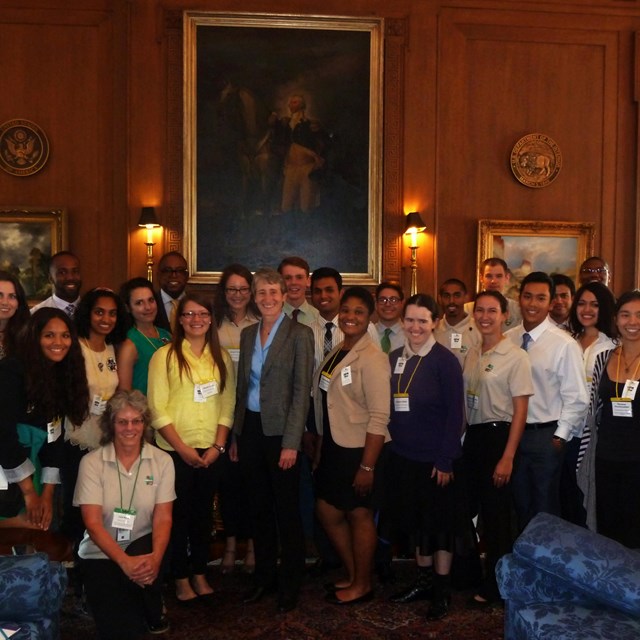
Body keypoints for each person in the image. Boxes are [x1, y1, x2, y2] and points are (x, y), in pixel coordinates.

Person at [233, 267, 314, 613]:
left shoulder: (300, 333)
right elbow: (241, 389)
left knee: (286, 512)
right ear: (254, 296)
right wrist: (236, 435)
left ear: (284, 295)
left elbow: (301, 392)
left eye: (273, 292)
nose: (267, 298)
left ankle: (290, 583)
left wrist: (292, 443)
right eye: (261, 292)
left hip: (282, 433)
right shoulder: (249, 334)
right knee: (259, 510)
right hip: (251, 430)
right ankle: (264, 578)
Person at [148, 292, 235, 602]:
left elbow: (228, 404)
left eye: (202, 314)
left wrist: (219, 446)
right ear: (179, 320)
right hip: (174, 452)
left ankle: (199, 572)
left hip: (212, 451)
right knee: (177, 517)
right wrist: (183, 450)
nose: (196, 320)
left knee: (203, 517)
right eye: (189, 314)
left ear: (211, 319)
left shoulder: (221, 357)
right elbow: (157, 409)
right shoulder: (165, 356)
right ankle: (180, 576)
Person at [385, 294, 464, 620]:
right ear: (402, 322)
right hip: (404, 457)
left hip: (436, 461)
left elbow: (455, 415)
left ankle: (441, 592)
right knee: (417, 525)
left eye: (422, 320)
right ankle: (422, 582)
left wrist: (444, 459)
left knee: (440, 528)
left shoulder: (444, 360)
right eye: (410, 320)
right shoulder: (393, 358)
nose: (415, 327)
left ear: (434, 323)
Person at [74, 390, 175, 639]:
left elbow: (163, 517)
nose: (130, 428)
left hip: (143, 548)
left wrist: (156, 559)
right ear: (111, 424)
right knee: (119, 628)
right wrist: (124, 563)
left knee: (143, 556)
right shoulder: (91, 463)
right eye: (122, 421)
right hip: (100, 552)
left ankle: (151, 600)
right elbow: (93, 523)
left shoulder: (162, 461)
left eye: (137, 421)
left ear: (145, 424)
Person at [313, 287, 390, 605]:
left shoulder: (372, 358)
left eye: (359, 311)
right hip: (334, 446)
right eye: (346, 310)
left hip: (359, 450)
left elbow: (380, 415)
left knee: (359, 514)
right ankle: (353, 571)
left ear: (370, 316)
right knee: (327, 510)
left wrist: (367, 466)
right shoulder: (339, 350)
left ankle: (362, 583)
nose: (350, 317)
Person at [462, 290, 533, 607]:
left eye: (492, 310)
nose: (485, 316)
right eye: (480, 310)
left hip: (498, 438)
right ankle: (473, 574)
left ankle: (498, 586)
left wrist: (508, 457)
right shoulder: (473, 352)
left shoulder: (515, 356)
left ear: (505, 315)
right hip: (474, 438)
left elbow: (520, 411)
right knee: (469, 511)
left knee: (496, 519)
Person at [505, 272, 588, 530]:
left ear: (551, 302)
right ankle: (521, 566)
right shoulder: (507, 339)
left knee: (545, 508)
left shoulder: (564, 344)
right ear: (519, 298)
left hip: (545, 436)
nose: (532, 304)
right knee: (517, 505)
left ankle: (546, 566)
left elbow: (577, 397)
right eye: (527, 296)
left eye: (540, 298)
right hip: (511, 436)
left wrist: (560, 437)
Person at [0, 308, 88, 530]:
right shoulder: (11, 370)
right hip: (7, 466)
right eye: (49, 335)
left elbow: (54, 437)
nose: (58, 342)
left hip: (33, 467)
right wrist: (29, 492)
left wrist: (47, 494)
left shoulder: (60, 375)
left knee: (37, 529)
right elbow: (4, 434)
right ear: (34, 338)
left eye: (65, 335)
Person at [62, 288, 128, 543]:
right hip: (77, 439)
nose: (106, 319)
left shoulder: (113, 348)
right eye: (99, 312)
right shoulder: (75, 346)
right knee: (76, 505)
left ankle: (96, 562)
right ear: (87, 313)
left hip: (106, 441)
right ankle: (72, 567)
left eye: (112, 313)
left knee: (102, 505)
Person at [213, 264, 259, 574]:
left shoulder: (261, 323)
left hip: (254, 414)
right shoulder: (213, 324)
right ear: (223, 292)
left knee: (254, 486)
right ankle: (230, 545)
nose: (238, 295)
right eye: (232, 289)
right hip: (220, 413)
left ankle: (253, 547)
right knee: (227, 485)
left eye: (243, 289)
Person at [586, 290, 640, 547]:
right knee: (608, 530)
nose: (633, 322)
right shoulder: (603, 359)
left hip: (637, 460)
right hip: (605, 457)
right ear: (616, 320)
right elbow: (593, 409)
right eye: (626, 315)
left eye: (639, 316)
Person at [567, 282, 616, 527]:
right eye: (582, 303)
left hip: (593, 435)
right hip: (565, 432)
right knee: (567, 499)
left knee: (589, 496)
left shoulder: (611, 347)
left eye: (594, 305)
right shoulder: (568, 341)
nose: (586, 309)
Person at [117, 278, 171, 395]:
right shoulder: (129, 344)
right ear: (127, 308)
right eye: (139, 303)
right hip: (144, 409)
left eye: (151, 300)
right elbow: (124, 393)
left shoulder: (166, 335)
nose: (148, 307)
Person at [274, 94, 326, 214]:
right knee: (286, 206)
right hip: (291, 168)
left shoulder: (309, 124)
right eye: (290, 102)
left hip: (306, 168)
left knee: (306, 207)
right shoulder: (285, 124)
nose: (290, 105)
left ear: (302, 105)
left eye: (294, 102)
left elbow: (321, 143)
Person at [434, 278, 481, 368]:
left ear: (466, 297)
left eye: (457, 296)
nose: (451, 301)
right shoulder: (433, 331)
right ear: (439, 299)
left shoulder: (478, 330)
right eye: (447, 296)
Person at [465, 258, 521, 331]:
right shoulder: (466, 310)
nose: (493, 281)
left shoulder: (517, 310)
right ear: (481, 278)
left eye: (499, 276)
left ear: (507, 278)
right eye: (489, 276)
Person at [30, 251, 82, 317]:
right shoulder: (36, 314)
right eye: (62, 272)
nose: (70, 277)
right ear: (51, 278)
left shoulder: (91, 310)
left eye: (75, 271)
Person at [277, 256, 319, 326]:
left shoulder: (318, 317)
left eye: (299, 277)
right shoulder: (271, 316)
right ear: (280, 282)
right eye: (288, 278)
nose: (293, 282)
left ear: (308, 281)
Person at [155, 251, 189, 332]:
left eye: (180, 270)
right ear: (158, 275)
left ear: (186, 276)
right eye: (167, 270)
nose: (173, 275)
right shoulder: (150, 304)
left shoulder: (196, 304)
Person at [0, 270, 30, 360]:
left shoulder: (28, 335)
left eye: (12, 296)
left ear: (19, 303)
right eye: (0, 295)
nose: (5, 302)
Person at [375, 282, 405, 353]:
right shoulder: (367, 334)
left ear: (402, 304)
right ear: (376, 305)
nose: (388, 304)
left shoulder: (411, 335)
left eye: (393, 300)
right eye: (382, 300)